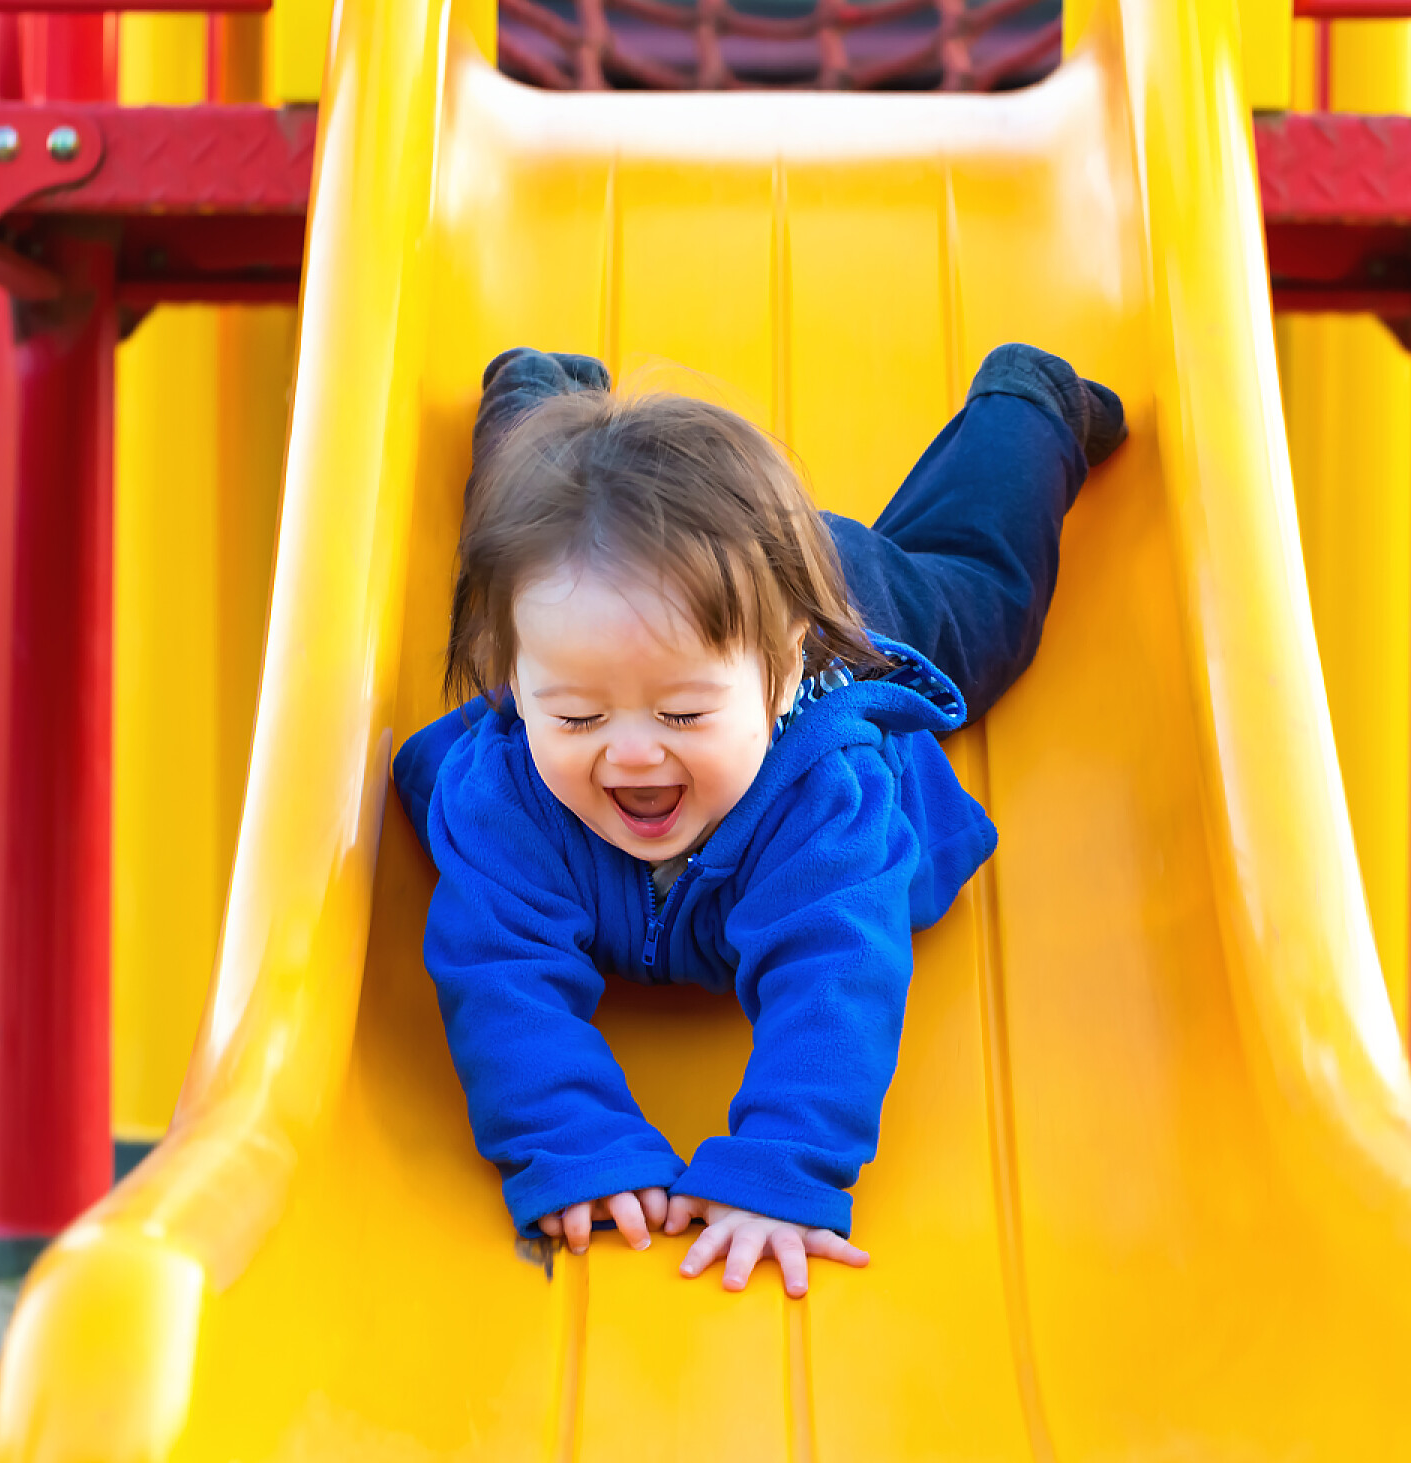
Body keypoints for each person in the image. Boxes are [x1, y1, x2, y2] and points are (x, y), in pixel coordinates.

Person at [392, 345, 1125, 1296]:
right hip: (636, 583)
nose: (631, 754)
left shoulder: (824, 793)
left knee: (980, 599)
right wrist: (570, 1141)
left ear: (778, 675)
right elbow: (498, 973)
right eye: (575, 717)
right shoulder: (511, 785)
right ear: (513, 683)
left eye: (683, 717)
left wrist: (783, 1168)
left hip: (853, 602)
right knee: (527, 534)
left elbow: (838, 974)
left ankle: (1027, 406)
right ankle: (540, 401)